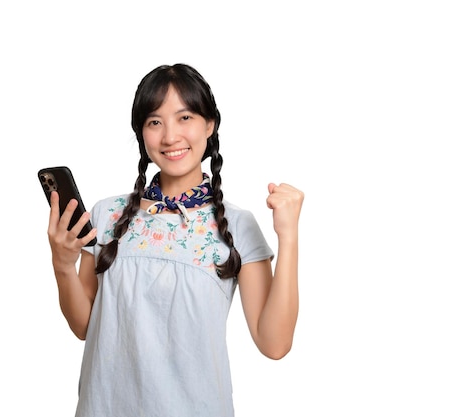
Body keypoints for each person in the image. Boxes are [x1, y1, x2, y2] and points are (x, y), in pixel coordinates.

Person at [46, 63, 304, 417]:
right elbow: (84, 328)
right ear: (141, 132)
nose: (170, 136)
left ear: (209, 124)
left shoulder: (238, 225)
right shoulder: (107, 214)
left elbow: (274, 344)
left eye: (185, 118)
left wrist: (288, 236)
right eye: (155, 122)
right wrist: (62, 264)